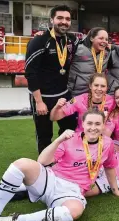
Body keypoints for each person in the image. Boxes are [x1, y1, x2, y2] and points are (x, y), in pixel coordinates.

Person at [0, 109, 119, 221]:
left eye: (98, 123)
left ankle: (14, 220)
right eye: (89, 123)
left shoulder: (108, 144)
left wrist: (115, 190)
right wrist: (59, 140)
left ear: (103, 125)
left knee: (75, 211)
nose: (93, 127)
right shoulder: (70, 138)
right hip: (51, 180)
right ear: (83, 124)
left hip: (72, 191)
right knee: (21, 164)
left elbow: (110, 167)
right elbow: (42, 161)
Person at [25, 5, 79, 154]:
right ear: (52, 20)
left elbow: (94, 43)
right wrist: (39, 101)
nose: (64, 22)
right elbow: (30, 73)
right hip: (43, 98)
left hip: (64, 95)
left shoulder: (72, 40)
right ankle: (44, 168)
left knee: (69, 130)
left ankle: (65, 159)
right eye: (60, 18)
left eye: (67, 19)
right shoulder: (39, 41)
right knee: (44, 135)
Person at [50, 73, 116, 132]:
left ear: (107, 88)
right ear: (90, 86)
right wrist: (57, 107)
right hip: (82, 137)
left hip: (102, 138)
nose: (99, 89)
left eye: (103, 86)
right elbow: (54, 117)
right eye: (96, 85)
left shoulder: (112, 101)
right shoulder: (79, 100)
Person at [67, 27, 111, 97]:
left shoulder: (107, 52)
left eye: (106, 39)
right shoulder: (78, 49)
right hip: (77, 93)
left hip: (96, 93)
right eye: (101, 38)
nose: (105, 41)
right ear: (91, 38)